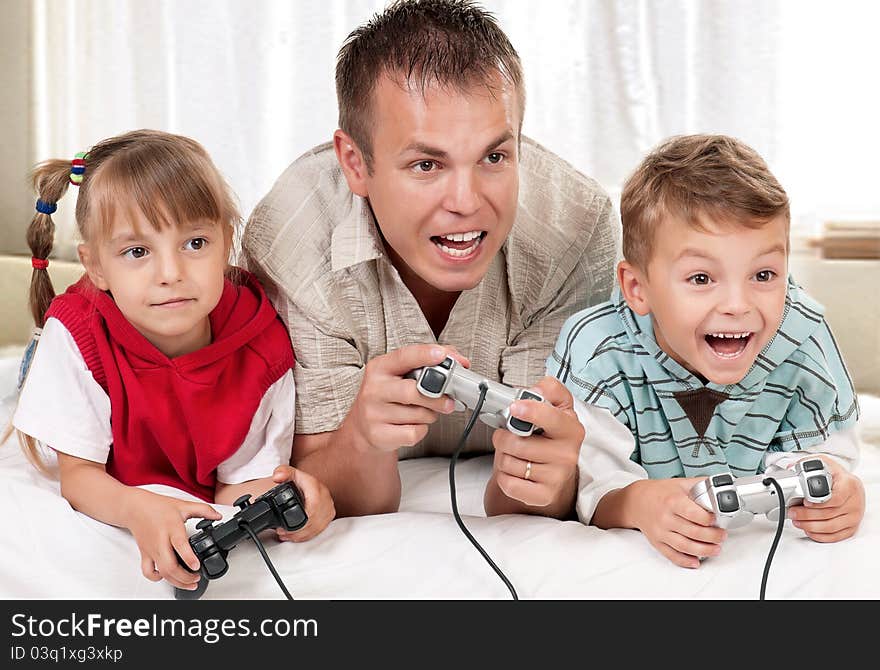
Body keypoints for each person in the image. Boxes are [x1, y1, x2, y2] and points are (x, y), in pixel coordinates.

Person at [243, 0, 619, 519]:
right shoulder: (291, 236)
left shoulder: (576, 227)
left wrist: (546, 472)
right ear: (356, 164)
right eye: (426, 164)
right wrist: (361, 438)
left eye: (493, 156)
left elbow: (539, 493)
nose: (466, 201)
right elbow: (322, 485)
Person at [12, 129, 335, 592]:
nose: (171, 274)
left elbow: (231, 490)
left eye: (195, 243)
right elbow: (80, 477)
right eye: (137, 252)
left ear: (225, 242)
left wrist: (292, 499)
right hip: (85, 382)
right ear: (96, 267)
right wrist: (136, 508)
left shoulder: (262, 347)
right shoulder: (78, 334)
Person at [549, 134, 865, 568]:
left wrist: (838, 489)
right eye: (701, 279)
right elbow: (587, 485)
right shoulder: (599, 350)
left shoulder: (802, 335)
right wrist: (639, 502)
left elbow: (831, 456)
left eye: (764, 274)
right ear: (637, 289)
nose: (738, 305)